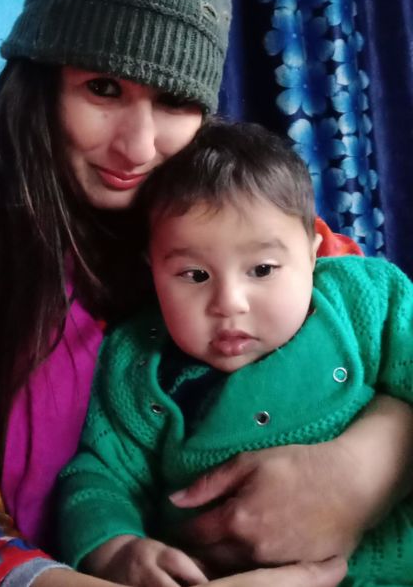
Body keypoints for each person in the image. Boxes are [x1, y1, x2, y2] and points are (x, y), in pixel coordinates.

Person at [0, 0, 412, 587]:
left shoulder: (237, 210)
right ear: (39, 83)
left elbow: (371, 326)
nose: (137, 148)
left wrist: (364, 469)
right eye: (103, 88)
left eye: (174, 101)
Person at [57, 120, 413, 586]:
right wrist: (116, 548)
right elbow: (98, 476)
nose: (229, 303)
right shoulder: (138, 364)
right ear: (153, 269)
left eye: (262, 269)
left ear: (312, 255)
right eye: (194, 275)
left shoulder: (367, 300)